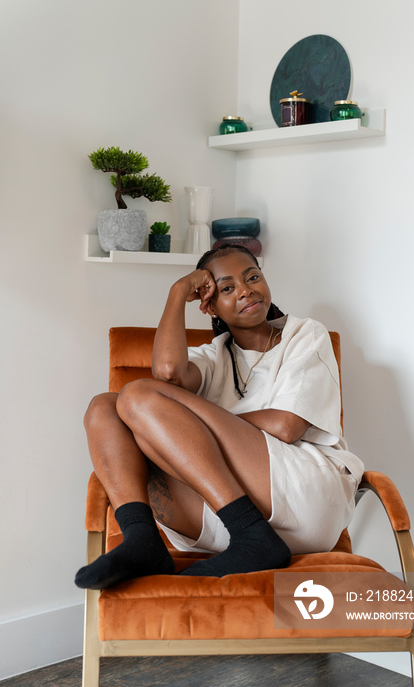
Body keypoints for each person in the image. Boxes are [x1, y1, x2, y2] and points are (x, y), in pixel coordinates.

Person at [75, 244, 364, 590]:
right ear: (209, 305)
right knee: (103, 407)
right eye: (227, 288)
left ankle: (252, 535)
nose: (246, 290)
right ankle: (142, 540)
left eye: (253, 277)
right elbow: (167, 372)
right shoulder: (213, 358)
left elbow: (287, 425)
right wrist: (177, 292)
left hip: (304, 499)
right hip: (221, 516)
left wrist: (199, 422)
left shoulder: (304, 334)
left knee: (138, 395)